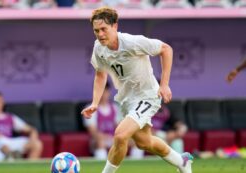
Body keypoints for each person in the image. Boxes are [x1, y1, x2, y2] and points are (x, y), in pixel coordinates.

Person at [81, 7, 193, 173]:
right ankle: (181, 161)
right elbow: (100, 75)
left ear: (115, 26)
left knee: (120, 135)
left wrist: (164, 84)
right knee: (144, 143)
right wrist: (95, 103)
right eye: (96, 30)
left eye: (104, 29)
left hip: (147, 96)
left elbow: (166, 49)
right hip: (127, 100)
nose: (100, 34)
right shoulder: (99, 48)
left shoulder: (132, 42)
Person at [83, 83, 143, 160]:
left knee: (135, 141)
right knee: (100, 141)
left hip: (113, 137)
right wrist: (106, 137)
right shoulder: (90, 109)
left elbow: (119, 126)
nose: (102, 95)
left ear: (108, 93)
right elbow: (93, 132)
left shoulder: (115, 108)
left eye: (105, 92)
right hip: (98, 140)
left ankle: (135, 166)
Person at [0, 91, 43, 160]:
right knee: (0, 141)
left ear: (3, 102)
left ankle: (28, 168)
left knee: (37, 144)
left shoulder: (10, 117)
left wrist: (33, 136)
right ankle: (13, 157)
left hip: (9, 141)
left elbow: (31, 129)